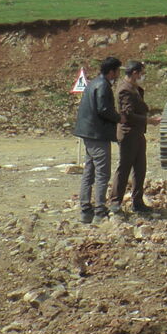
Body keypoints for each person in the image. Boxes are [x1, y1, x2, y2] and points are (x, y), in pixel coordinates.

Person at [108, 60, 161, 213]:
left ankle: (137, 202)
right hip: (128, 133)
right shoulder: (125, 89)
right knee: (124, 168)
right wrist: (149, 121)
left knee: (140, 168)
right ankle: (115, 202)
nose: (143, 76)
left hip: (137, 132)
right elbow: (128, 114)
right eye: (142, 73)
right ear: (135, 73)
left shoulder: (135, 88)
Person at [73, 56, 121, 223]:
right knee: (102, 173)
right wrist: (119, 118)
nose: (118, 74)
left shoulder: (93, 83)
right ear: (112, 71)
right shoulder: (103, 86)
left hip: (88, 133)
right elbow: (104, 109)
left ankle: (85, 210)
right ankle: (100, 211)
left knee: (89, 172)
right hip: (98, 134)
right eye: (117, 71)